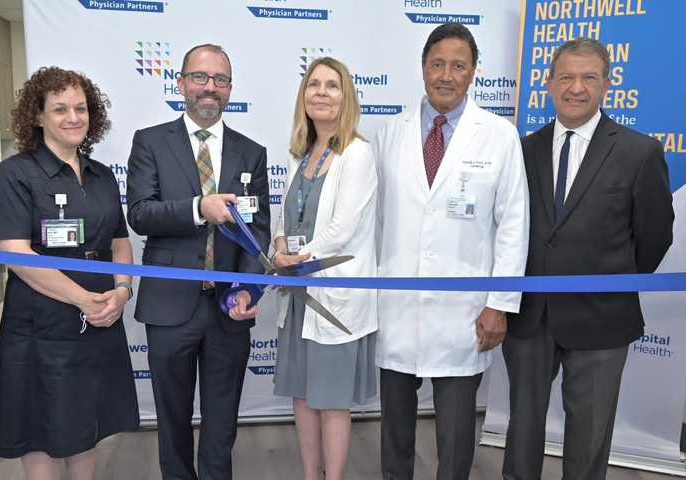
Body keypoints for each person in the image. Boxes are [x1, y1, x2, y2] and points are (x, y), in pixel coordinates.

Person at [502, 37, 674, 480]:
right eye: (566, 77)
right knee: (521, 431)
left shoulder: (640, 152)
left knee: (589, 438)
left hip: (602, 318)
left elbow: (654, 237)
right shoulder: (524, 149)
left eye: (588, 77)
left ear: (606, 85)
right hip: (530, 319)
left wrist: (611, 281)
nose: (576, 87)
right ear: (548, 83)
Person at [374, 23, 529, 480]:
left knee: (457, 437)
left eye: (458, 65)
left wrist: (499, 304)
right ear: (423, 68)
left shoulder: (499, 136)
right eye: (437, 64)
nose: (446, 75)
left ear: (474, 72)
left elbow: (513, 227)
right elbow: (372, 221)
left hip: (465, 314)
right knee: (395, 433)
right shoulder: (389, 133)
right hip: (396, 308)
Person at [0, 66, 138, 480]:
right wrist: (83, 299)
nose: (73, 117)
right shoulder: (15, 174)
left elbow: (119, 244)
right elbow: (18, 254)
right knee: (41, 427)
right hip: (41, 325)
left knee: (84, 425)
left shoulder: (102, 175)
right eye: (59, 109)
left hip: (100, 318)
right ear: (37, 116)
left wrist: (121, 293)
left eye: (81, 108)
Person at [126, 44, 270, 480]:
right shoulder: (150, 141)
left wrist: (247, 287)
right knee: (171, 422)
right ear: (182, 82)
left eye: (220, 80)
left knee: (222, 423)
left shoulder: (252, 152)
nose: (210, 88)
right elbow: (139, 213)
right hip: (170, 307)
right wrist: (196, 208)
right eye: (201, 78)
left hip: (228, 309)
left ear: (230, 88)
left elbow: (257, 230)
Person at [271, 56, 378, 480]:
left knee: (330, 399)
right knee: (301, 395)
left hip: (332, 297)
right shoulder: (302, 153)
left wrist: (296, 261)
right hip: (298, 296)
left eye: (332, 85)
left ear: (346, 96)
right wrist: (279, 249)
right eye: (313, 84)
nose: (321, 92)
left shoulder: (357, 153)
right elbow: (284, 216)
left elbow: (342, 228)